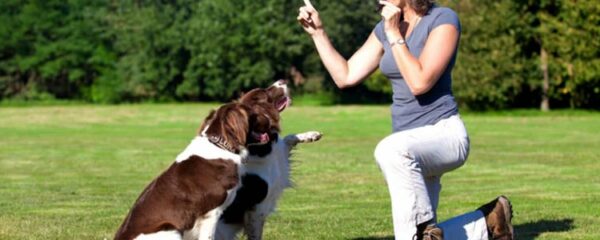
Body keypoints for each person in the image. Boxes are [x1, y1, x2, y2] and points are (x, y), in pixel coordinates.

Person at [297, 0, 514, 239]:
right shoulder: (383, 29)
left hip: (444, 134)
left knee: (389, 150)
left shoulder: (442, 19)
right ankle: (490, 221)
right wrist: (318, 33)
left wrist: (394, 34)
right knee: (416, 234)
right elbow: (346, 75)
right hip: (408, 148)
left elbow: (420, 82)